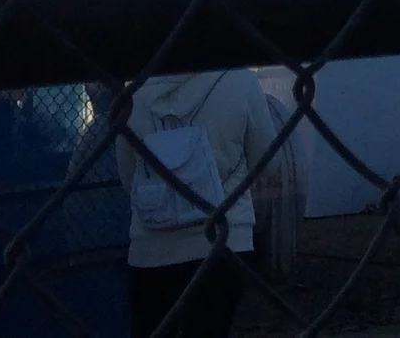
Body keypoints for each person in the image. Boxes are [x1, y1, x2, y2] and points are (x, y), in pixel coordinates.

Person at [119, 68, 282, 338]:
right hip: (224, 240)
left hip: (152, 247)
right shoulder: (240, 80)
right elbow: (268, 164)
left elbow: (128, 177)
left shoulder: (133, 92)